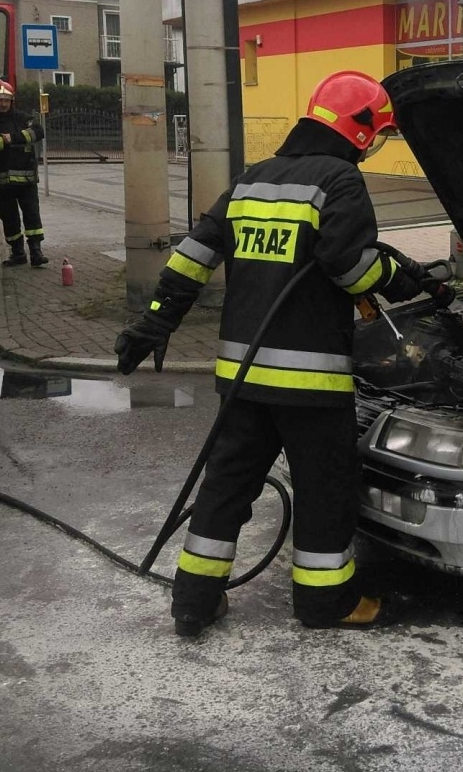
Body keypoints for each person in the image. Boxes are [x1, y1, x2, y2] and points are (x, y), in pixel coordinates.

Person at [114, 70, 445, 636]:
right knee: (324, 491)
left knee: (226, 487)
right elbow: (351, 268)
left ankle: (194, 601)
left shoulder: (253, 180)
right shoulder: (339, 180)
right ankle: (325, 603)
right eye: (376, 136)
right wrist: (402, 279)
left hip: (242, 380)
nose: (373, 148)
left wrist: (156, 321)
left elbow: (194, 253)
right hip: (311, 384)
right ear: (360, 129)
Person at [0, 79, 48, 267]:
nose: (3, 103)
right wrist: (4, 141)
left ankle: (36, 252)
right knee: (9, 218)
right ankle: (18, 253)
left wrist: (13, 138)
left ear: (12, 100)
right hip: (3, 182)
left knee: (32, 215)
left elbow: (38, 131)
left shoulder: (23, 118)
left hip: (26, 179)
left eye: (6, 100)